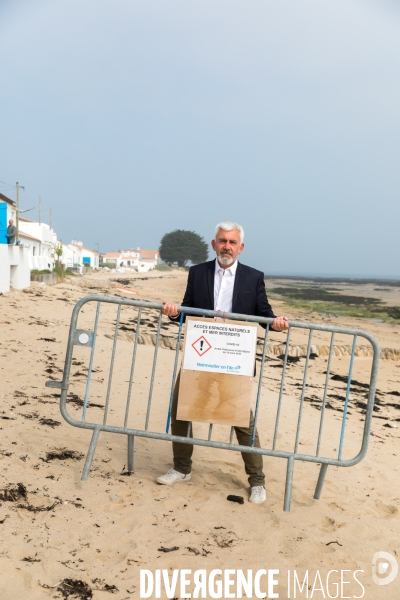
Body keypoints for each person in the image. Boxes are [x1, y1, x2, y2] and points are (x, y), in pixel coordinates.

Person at [157, 221, 289, 504]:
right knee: (181, 410)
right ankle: (182, 468)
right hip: (200, 352)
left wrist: (276, 323)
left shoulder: (254, 277)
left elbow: (264, 314)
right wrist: (172, 312)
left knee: (242, 420)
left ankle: (257, 482)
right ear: (213, 244)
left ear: (240, 247)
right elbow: (186, 312)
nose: (226, 246)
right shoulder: (198, 272)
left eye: (232, 242)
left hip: (234, 355)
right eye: (222, 241)